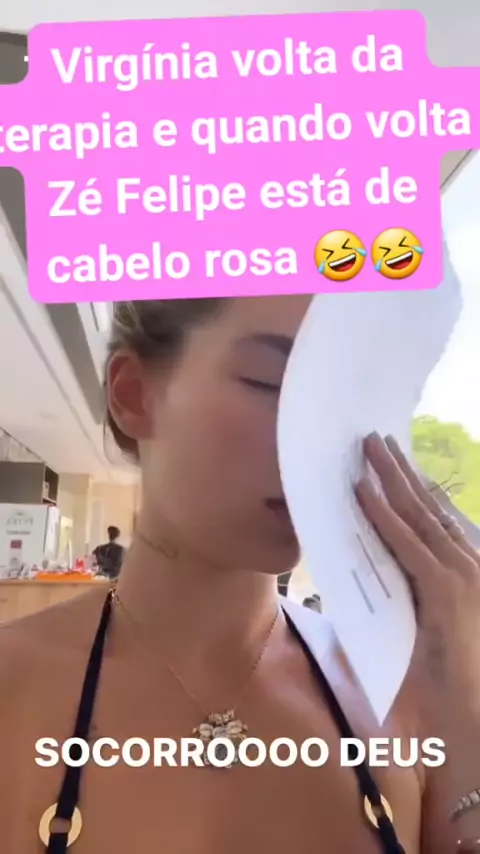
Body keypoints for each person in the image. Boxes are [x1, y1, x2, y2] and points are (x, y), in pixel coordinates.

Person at [0, 296, 479, 854]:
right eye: (271, 384)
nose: (318, 440)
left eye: (352, 399)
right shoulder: (14, 686)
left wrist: (466, 711)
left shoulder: (408, 692)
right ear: (134, 395)